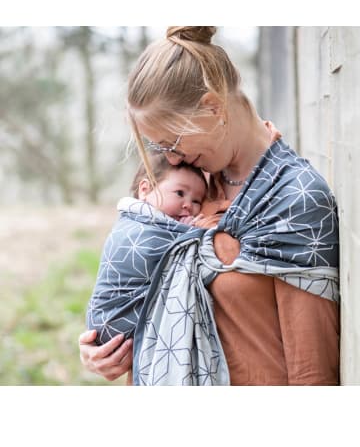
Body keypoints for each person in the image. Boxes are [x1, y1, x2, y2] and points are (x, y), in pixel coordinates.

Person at [79, 26, 339, 385]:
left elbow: (312, 368)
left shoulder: (292, 198)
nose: (170, 158)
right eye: (161, 149)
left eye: (172, 142)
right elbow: (138, 290)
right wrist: (102, 344)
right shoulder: (191, 187)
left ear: (213, 107)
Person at [86, 152, 210, 345]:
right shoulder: (138, 228)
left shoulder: (161, 223)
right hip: (113, 319)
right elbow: (159, 252)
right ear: (145, 189)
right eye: (180, 193)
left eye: (197, 201)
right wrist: (189, 232)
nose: (188, 205)